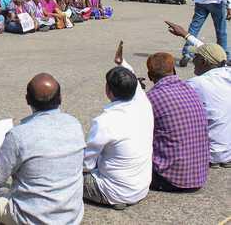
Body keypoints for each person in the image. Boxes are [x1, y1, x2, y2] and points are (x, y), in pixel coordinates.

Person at [0, 74, 85, 225]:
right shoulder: (74, 124)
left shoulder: (17, 136)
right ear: (60, 98)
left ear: (27, 99)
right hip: (71, 216)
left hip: (31, 219)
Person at [83, 66, 153, 210]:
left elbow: (86, 164)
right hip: (141, 187)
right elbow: (138, 89)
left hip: (112, 190)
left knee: (62, 176)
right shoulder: (145, 106)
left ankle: (111, 198)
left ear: (108, 90)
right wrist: (123, 63)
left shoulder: (105, 121)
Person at [165, 21, 231, 167]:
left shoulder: (197, 84)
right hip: (228, 152)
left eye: (196, 57)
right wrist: (185, 35)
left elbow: (164, 99)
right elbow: (212, 53)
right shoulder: (226, 72)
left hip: (209, 154)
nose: (193, 60)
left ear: (203, 62)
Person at [144, 52, 209, 191]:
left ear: (150, 76)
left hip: (170, 179)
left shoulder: (152, 97)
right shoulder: (190, 89)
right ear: (173, 70)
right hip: (199, 175)